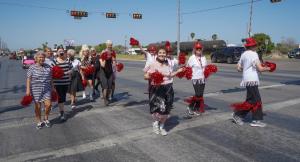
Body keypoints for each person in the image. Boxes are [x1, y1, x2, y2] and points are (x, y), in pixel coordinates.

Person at [232, 37, 270, 127]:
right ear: (253, 46)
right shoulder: (254, 54)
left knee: (252, 100)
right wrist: (269, 68)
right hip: (252, 79)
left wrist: (245, 69)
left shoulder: (244, 54)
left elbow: (238, 67)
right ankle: (240, 115)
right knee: (255, 100)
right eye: (255, 45)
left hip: (247, 79)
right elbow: (260, 68)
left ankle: (250, 118)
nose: (256, 47)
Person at [144, 48, 183, 136]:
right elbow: (146, 76)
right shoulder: (153, 64)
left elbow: (170, 75)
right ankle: (156, 124)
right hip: (158, 88)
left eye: (164, 53)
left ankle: (162, 126)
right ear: (157, 54)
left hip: (168, 87)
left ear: (166, 54)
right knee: (159, 108)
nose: (162, 54)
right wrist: (151, 76)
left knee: (167, 108)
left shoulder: (167, 64)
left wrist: (178, 71)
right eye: (160, 53)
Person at [26, 51, 54, 129]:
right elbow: (29, 79)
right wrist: (28, 89)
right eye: (40, 57)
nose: (41, 58)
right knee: (38, 106)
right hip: (35, 89)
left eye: (43, 57)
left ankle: (46, 118)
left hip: (47, 88)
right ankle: (39, 121)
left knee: (48, 105)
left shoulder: (48, 67)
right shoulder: (32, 67)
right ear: (36, 58)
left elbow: (51, 78)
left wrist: (53, 87)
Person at [186, 41, 207, 116]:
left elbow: (205, 67)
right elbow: (188, 67)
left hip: (202, 78)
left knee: (200, 95)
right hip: (195, 78)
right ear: (195, 49)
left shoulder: (204, 57)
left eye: (200, 48)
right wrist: (189, 75)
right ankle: (190, 106)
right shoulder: (192, 58)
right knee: (198, 94)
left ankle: (196, 108)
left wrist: (208, 72)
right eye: (197, 48)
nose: (199, 50)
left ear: (202, 49)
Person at [52, 47, 72, 122]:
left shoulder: (68, 60)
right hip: (57, 83)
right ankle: (62, 113)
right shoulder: (54, 61)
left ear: (64, 52)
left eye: (62, 51)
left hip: (66, 82)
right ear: (57, 53)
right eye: (59, 51)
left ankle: (61, 110)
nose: (61, 52)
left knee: (63, 97)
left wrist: (67, 73)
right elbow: (52, 71)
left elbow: (71, 69)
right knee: (60, 97)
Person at [99, 40, 116, 106]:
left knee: (109, 87)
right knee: (105, 87)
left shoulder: (113, 52)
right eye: (109, 45)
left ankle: (107, 97)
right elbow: (102, 65)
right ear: (106, 45)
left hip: (110, 71)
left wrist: (115, 65)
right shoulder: (103, 52)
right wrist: (106, 57)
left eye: (111, 45)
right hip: (103, 71)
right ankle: (105, 99)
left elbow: (114, 61)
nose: (110, 46)